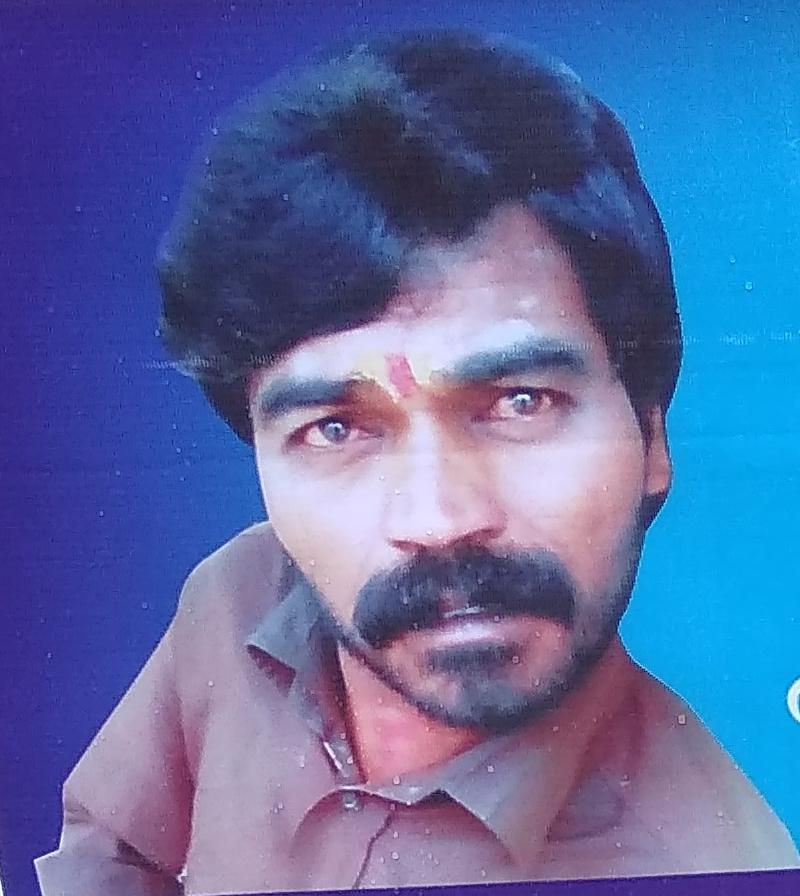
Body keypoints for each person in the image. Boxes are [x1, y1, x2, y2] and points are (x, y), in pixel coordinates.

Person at [35, 29, 799, 895]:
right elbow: (105, 850)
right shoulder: (238, 593)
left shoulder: (716, 864)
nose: (437, 522)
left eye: (520, 402)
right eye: (335, 428)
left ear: (651, 438)